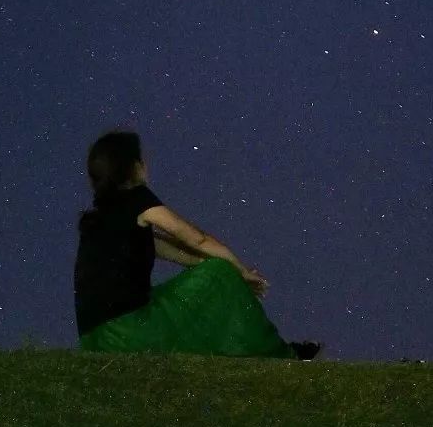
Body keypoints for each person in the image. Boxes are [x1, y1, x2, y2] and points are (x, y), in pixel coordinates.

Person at [74, 129, 321, 359]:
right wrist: (240, 271)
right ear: (134, 168)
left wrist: (219, 268)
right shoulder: (137, 199)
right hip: (128, 332)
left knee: (215, 272)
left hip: (96, 341)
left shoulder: (101, 220)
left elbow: (176, 252)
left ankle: (260, 350)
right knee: (221, 271)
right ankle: (282, 354)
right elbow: (196, 238)